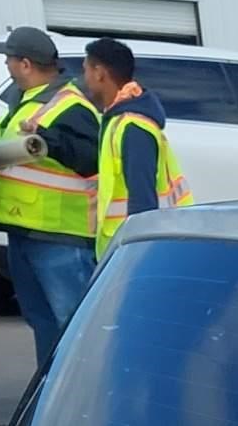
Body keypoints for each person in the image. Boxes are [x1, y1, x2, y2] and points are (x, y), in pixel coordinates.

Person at [0, 26, 100, 372]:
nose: (5, 65)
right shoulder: (25, 103)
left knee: (74, 325)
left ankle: (84, 399)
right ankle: (51, 397)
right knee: (45, 323)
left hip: (60, 235)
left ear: (24, 64)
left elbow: (91, 159)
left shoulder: (68, 107)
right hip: (26, 230)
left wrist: (49, 140)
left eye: (8, 59)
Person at [80, 37, 193, 262]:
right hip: (123, 244)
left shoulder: (132, 126)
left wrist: (136, 256)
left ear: (99, 72)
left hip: (134, 248)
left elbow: (143, 202)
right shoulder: (117, 120)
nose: (83, 79)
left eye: (86, 70)